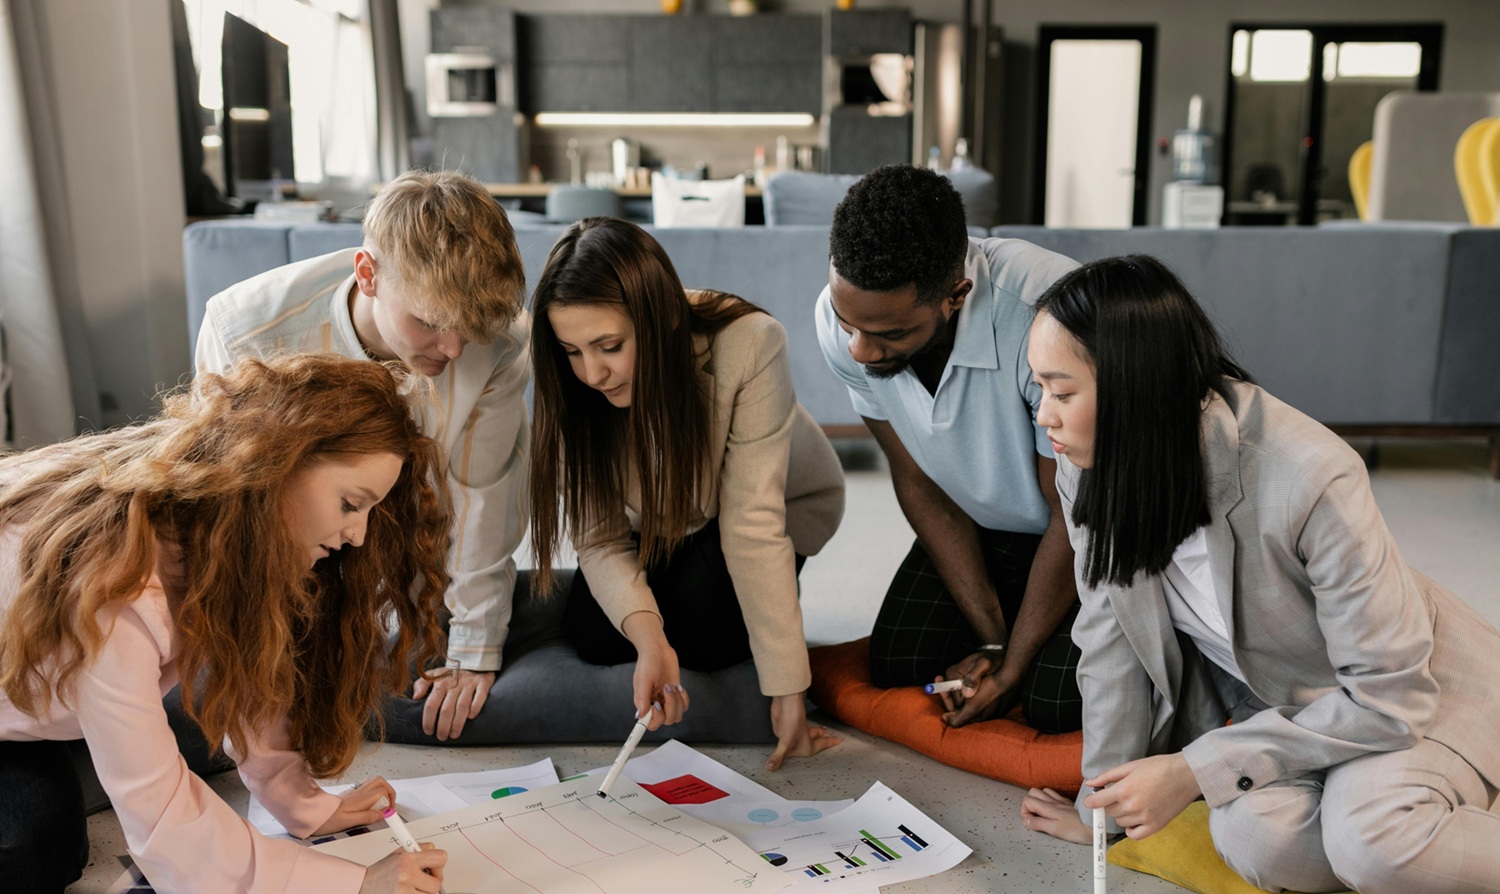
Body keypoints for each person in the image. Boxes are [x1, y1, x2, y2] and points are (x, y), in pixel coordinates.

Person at [1019, 255, 1500, 893]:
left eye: (1063, 391)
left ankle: (1429, 809)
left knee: (1371, 843)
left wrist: (1194, 770)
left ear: (1138, 388)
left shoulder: (1307, 473)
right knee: (1253, 837)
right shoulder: (1090, 463)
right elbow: (1110, 643)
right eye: (1039, 388)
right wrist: (1103, 816)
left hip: (1415, 697)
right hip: (1296, 711)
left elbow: (1390, 697)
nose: (1043, 415)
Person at [0, 355, 454, 893]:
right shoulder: (116, 586)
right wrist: (352, 885)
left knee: (184, 724)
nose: (357, 535)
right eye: (352, 504)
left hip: (49, 680)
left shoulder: (222, 521)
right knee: (34, 849)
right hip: (26, 695)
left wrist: (305, 807)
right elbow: (167, 826)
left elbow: (248, 677)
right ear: (277, 465)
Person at [196, 169, 529, 742]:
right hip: (292, 550)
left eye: (467, 330)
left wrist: (474, 646)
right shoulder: (245, 331)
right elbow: (233, 514)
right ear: (367, 274)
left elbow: (483, 494)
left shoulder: (498, 336)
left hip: (420, 541)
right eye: (428, 323)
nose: (452, 349)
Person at [529, 217, 845, 772]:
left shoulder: (751, 344)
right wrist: (649, 639)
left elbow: (753, 524)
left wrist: (790, 687)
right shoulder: (576, 380)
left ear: (664, 318)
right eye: (573, 351)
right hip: (668, 518)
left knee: (706, 632)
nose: (593, 373)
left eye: (609, 346)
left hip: (771, 510)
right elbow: (600, 539)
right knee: (598, 637)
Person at [814, 163, 1084, 732]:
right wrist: (990, 636)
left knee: (1053, 701)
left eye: (890, 335)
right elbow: (915, 475)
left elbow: (1072, 511)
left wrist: (1010, 666)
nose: (860, 351)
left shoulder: (1046, 319)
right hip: (991, 521)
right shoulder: (846, 320)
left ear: (955, 295)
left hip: (1092, 526)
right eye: (849, 326)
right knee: (899, 664)